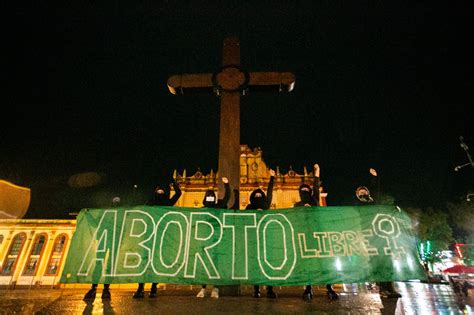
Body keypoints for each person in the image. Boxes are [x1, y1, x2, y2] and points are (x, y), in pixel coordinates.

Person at [294, 164, 339, 301]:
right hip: (305, 236)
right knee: (309, 263)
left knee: (325, 262)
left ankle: (329, 287)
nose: (305, 192)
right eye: (303, 190)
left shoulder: (315, 201)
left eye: (307, 190)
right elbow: (295, 218)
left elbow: (316, 189)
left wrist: (317, 174)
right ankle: (308, 288)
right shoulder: (297, 205)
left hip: (318, 234)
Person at [133, 180, 182, 299]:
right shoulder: (151, 203)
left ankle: (153, 287)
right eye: (158, 191)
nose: (160, 193)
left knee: (155, 263)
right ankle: (141, 287)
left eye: (162, 191)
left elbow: (178, 193)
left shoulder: (166, 203)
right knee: (145, 262)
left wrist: (174, 184)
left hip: (160, 237)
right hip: (150, 236)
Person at [354, 181, 402, 299]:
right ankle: (382, 289)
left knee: (388, 260)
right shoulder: (358, 205)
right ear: (357, 195)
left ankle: (391, 287)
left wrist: (375, 178)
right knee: (377, 262)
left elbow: (379, 195)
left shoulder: (374, 202)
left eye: (364, 191)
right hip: (370, 236)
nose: (363, 193)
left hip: (381, 234)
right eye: (360, 193)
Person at [196, 177, 231, 299]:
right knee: (203, 265)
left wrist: (227, 184)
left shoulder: (218, 206)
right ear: (205, 198)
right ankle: (203, 288)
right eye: (208, 197)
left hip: (217, 240)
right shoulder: (201, 210)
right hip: (204, 240)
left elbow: (227, 197)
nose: (210, 199)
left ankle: (216, 288)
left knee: (216, 265)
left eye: (212, 197)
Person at [246, 169, 277, 299]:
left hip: (266, 237)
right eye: (256, 196)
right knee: (255, 265)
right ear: (253, 198)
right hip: (253, 238)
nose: (258, 197)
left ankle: (269, 289)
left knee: (268, 264)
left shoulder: (266, 205)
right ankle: (256, 289)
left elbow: (269, 192)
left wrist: (272, 178)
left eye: (260, 196)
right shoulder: (249, 207)